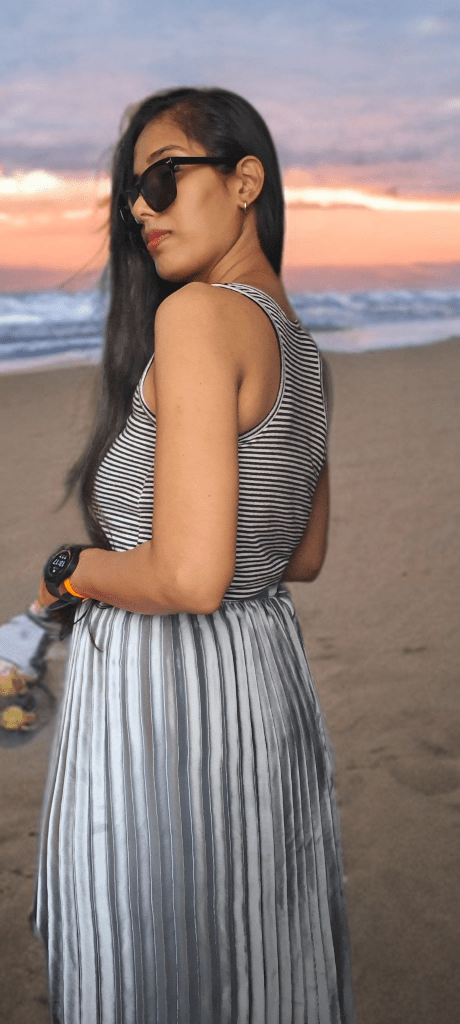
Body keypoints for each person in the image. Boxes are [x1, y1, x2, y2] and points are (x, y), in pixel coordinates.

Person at [31, 86, 354, 1023]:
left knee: (144, 961)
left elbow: (186, 576)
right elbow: (301, 556)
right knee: (256, 959)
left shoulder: (200, 317)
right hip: (262, 686)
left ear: (246, 180)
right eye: (134, 192)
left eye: (164, 177)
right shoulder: (302, 348)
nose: (142, 208)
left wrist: (71, 569)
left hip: (163, 706)